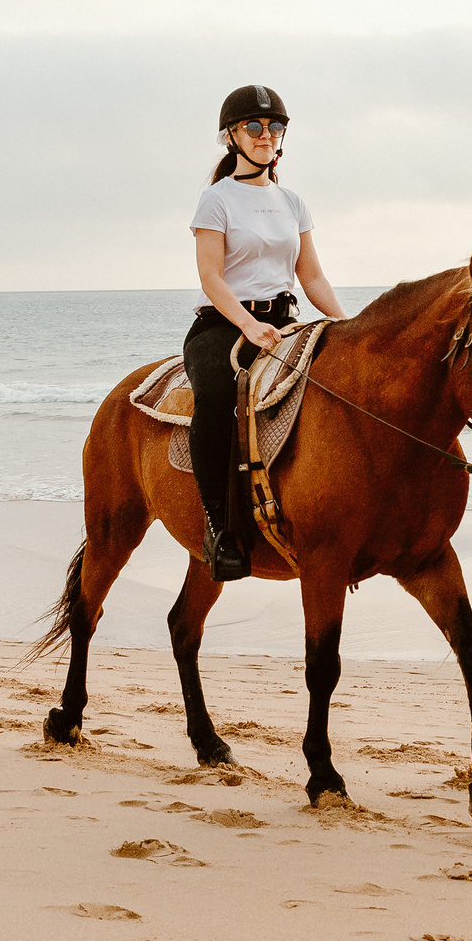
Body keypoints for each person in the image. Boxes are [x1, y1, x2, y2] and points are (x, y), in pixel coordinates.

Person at [185, 85, 347, 581]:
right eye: (254, 127)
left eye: (274, 127)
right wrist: (249, 324)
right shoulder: (216, 200)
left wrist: (345, 324)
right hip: (225, 324)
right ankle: (219, 527)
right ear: (232, 136)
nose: (266, 136)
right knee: (215, 398)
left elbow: (311, 276)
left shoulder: (293, 202)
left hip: (285, 320)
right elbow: (212, 277)